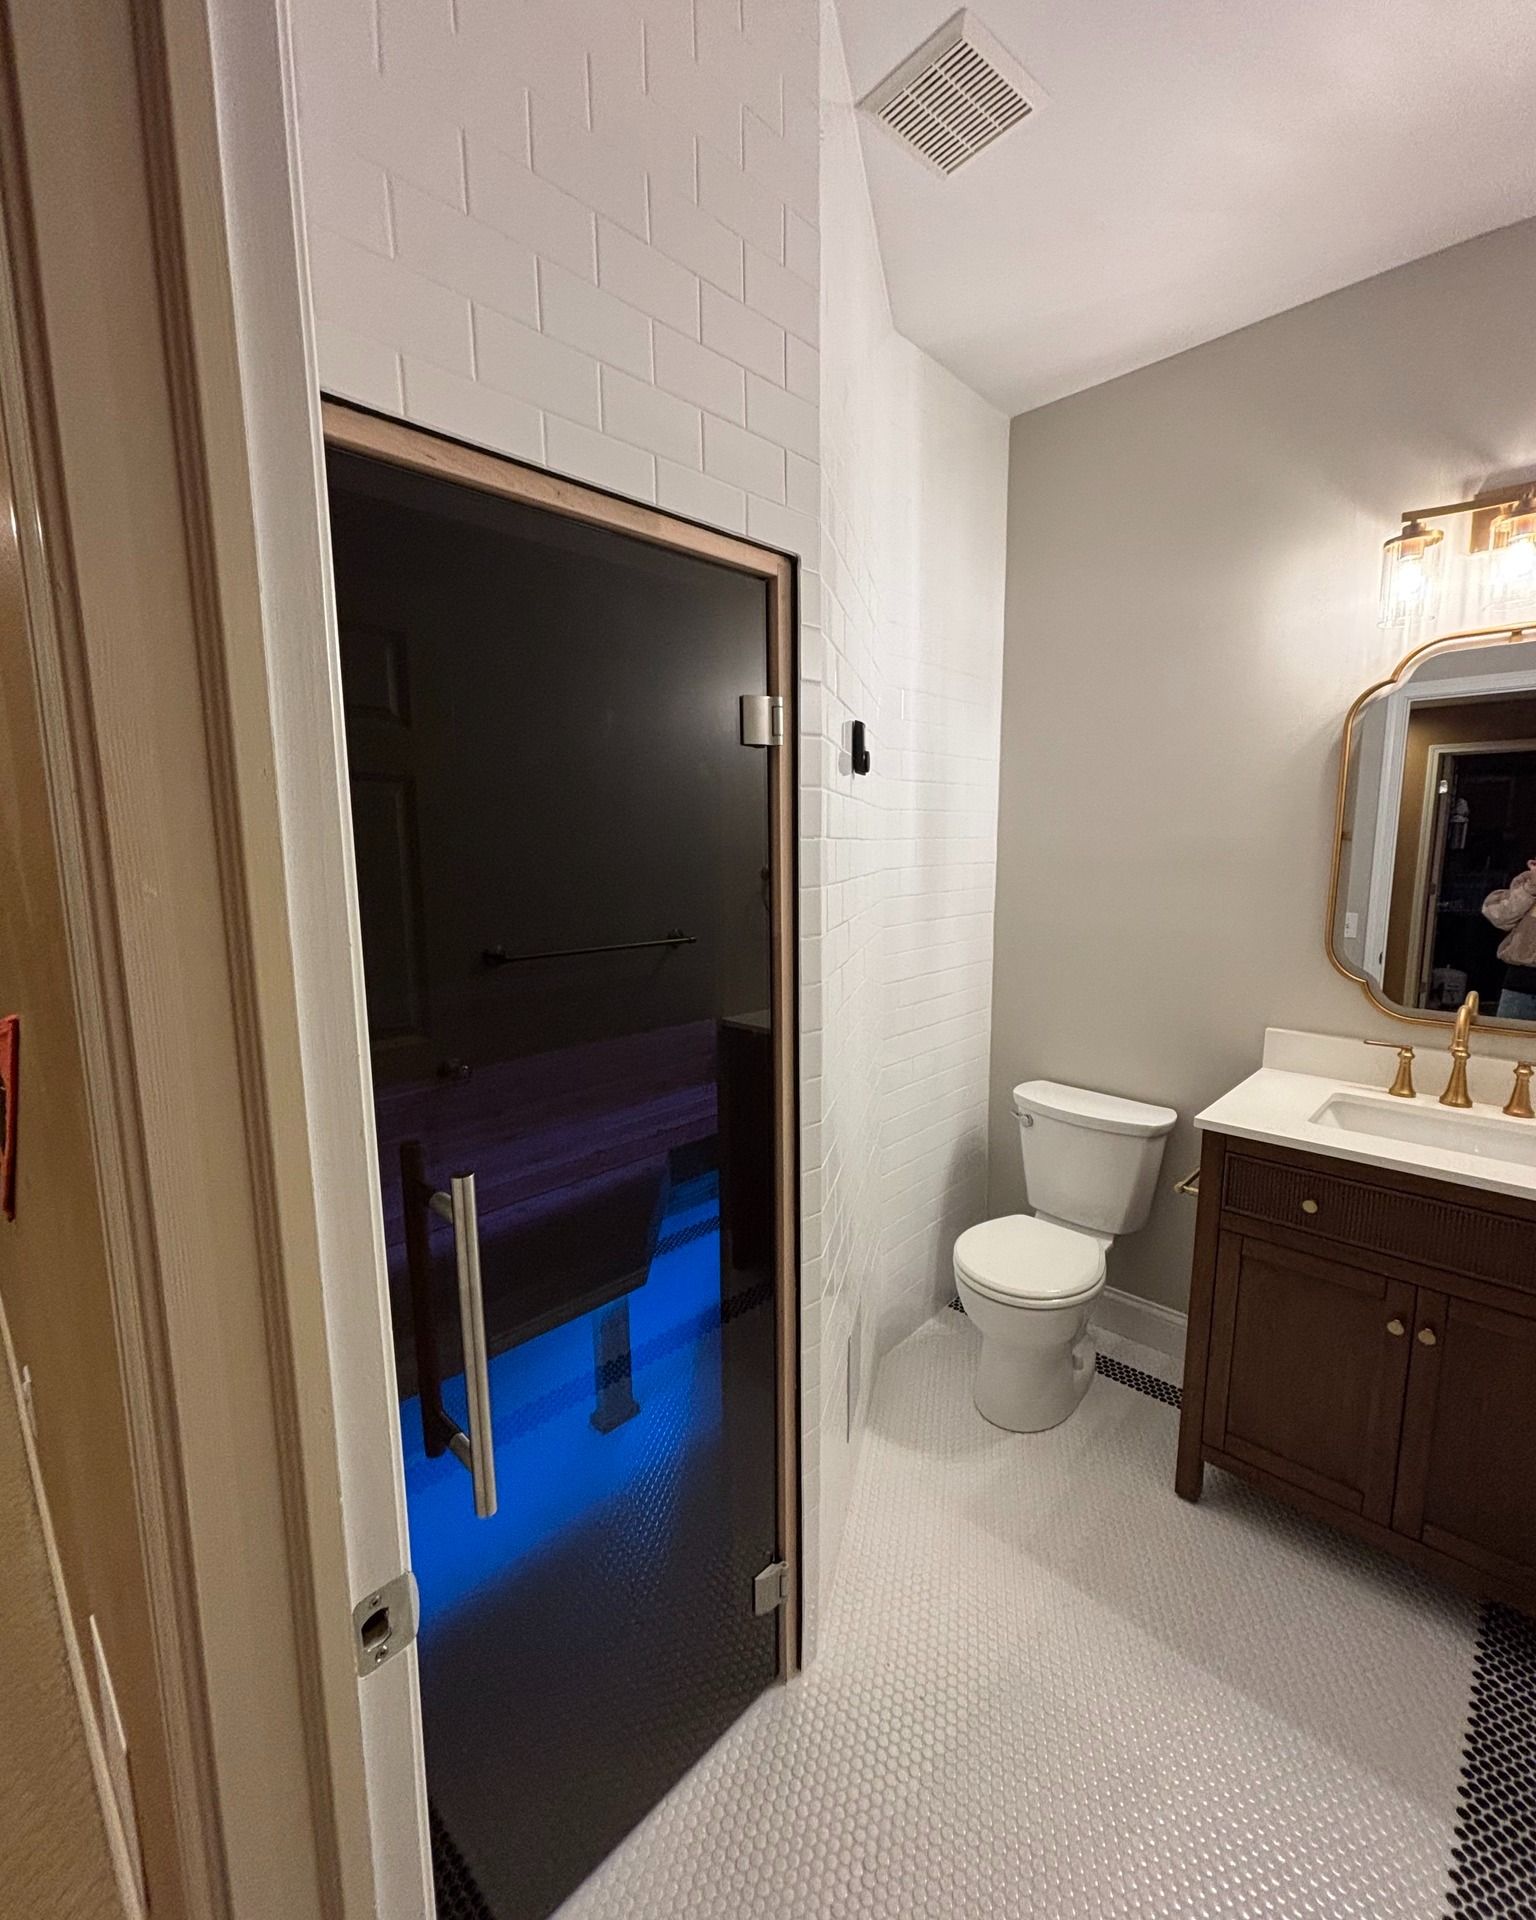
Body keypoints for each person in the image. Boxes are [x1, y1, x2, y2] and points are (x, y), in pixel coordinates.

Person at [1481, 859, 1536, 1020]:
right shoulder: (1527, 880)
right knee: (1504, 1043)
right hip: (1520, 987)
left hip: (1519, 988)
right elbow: (1497, 915)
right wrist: (1530, 887)